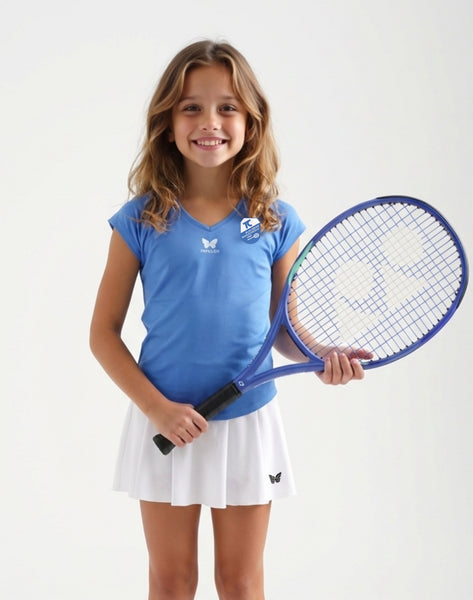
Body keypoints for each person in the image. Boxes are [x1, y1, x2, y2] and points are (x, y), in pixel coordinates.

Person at [89, 39, 368, 600]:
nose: (209, 122)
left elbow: (282, 329)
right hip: (165, 421)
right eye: (191, 107)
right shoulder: (141, 219)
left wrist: (320, 357)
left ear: (251, 122)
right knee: (171, 582)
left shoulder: (273, 220)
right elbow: (102, 335)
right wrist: (158, 409)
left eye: (228, 108)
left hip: (248, 422)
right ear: (167, 123)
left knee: (240, 583)